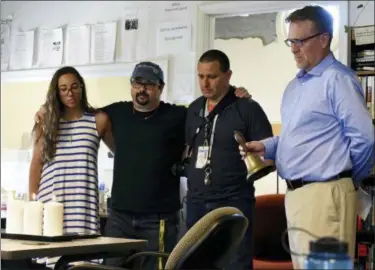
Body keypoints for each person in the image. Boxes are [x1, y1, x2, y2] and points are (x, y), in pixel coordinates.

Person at [34, 61, 250, 270]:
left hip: (159, 219)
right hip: (119, 217)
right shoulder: (114, 113)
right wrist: (46, 108)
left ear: (160, 87)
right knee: (108, 268)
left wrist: (234, 96)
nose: (142, 89)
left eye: (148, 84)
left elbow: (211, 112)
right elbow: (77, 110)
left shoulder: (178, 115)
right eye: (137, 83)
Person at [239, 5, 374, 269]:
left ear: (324, 39)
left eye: (300, 40)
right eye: (291, 41)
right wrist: (265, 146)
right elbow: (296, 136)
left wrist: (345, 181)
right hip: (297, 195)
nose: (293, 48)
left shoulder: (337, 80)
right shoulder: (296, 86)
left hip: (326, 195)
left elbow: (366, 139)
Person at [184, 49, 274, 269]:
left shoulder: (247, 108)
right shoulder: (194, 108)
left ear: (228, 75)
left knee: (235, 263)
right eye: (201, 76)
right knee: (195, 263)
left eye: (212, 77)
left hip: (233, 200)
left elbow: (271, 155)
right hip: (196, 202)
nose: (205, 83)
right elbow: (188, 150)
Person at [29, 66, 113, 267]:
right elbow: (36, 164)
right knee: (52, 262)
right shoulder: (48, 122)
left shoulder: (98, 121)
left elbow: (122, 153)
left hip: (82, 207)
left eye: (74, 87)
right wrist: (34, 204)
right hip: (51, 205)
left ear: (82, 88)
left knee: (83, 264)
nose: (70, 93)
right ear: (57, 92)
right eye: (64, 89)